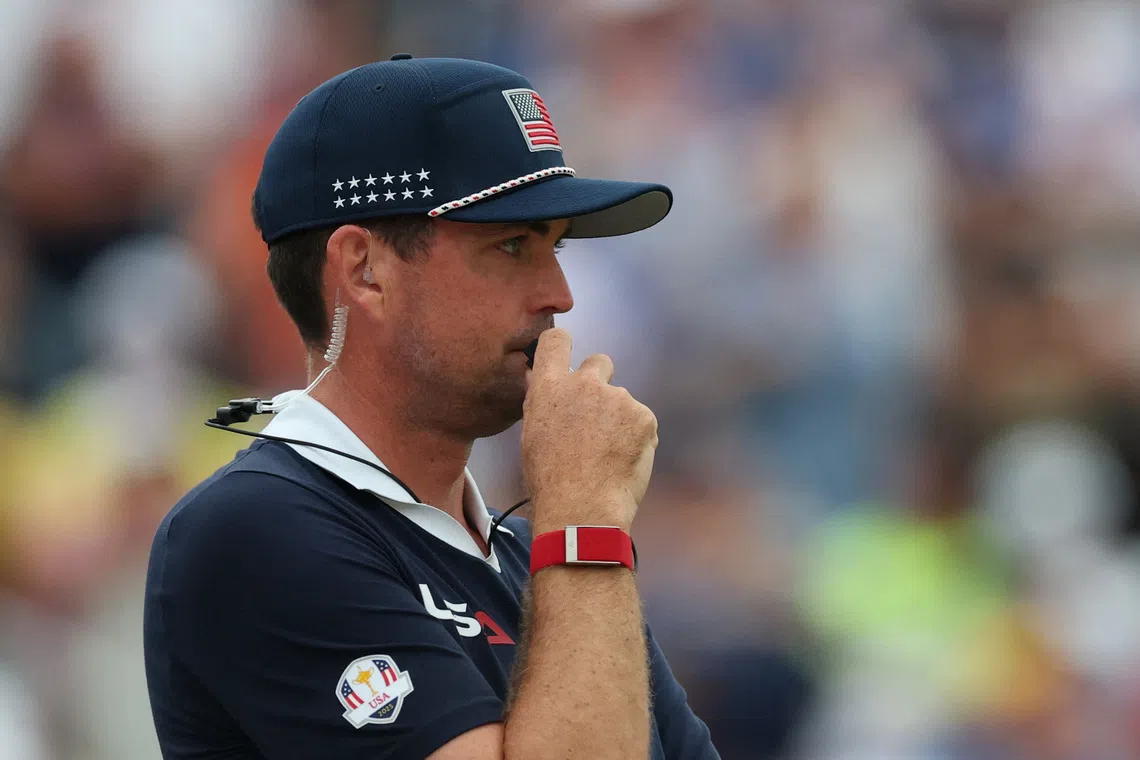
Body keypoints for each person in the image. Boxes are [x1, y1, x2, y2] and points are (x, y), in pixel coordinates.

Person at [143, 55, 720, 760]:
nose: (559, 293)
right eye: (512, 245)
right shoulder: (254, 528)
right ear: (365, 271)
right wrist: (584, 519)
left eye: (555, 245)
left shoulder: (523, 559)